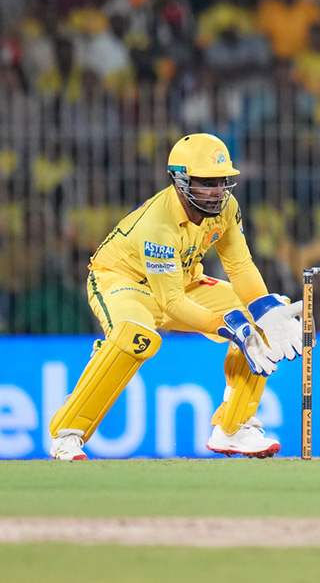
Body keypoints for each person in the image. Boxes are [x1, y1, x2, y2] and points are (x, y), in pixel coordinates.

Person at [48, 133, 302, 461]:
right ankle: (67, 433)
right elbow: (171, 306)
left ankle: (233, 428)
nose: (218, 191)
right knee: (134, 336)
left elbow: (240, 265)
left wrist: (262, 307)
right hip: (123, 281)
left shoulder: (226, 208)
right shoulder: (158, 224)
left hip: (180, 280)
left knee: (264, 320)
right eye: (206, 183)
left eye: (222, 181)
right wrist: (229, 325)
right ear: (180, 181)